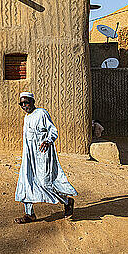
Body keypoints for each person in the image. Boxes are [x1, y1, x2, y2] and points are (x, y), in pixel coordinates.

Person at [14, 91, 77, 224]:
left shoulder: (42, 113)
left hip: (43, 156)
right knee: (26, 182)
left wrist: (48, 141)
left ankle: (67, 201)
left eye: (27, 102)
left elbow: (53, 130)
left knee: (45, 183)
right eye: (22, 104)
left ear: (33, 102)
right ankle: (29, 214)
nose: (24, 106)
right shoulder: (26, 117)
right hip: (29, 157)